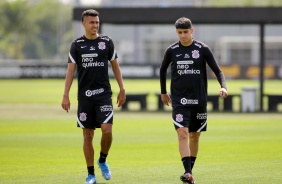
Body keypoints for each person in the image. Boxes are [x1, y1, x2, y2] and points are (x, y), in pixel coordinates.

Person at [159, 17, 228, 184]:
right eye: (180, 32)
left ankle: (190, 171)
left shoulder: (202, 49)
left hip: (199, 101)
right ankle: (188, 173)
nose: (183, 35)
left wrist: (223, 86)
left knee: (194, 136)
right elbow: (162, 70)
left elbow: (218, 71)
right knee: (182, 133)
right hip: (179, 101)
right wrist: (163, 92)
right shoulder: (172, 50)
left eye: (185, 32)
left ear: (192, 30)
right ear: (177, 32)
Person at [61, 9, 126, 184]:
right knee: (88, 134)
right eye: (91, 22)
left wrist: (122, 88)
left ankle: (102, 160)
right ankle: (91, 175)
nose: (95, 25)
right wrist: (65, 95)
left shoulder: (106, 42)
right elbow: (70, 71)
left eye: (97, 22)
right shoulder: (76, 45)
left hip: (104, 94)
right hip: (85, 97)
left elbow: (115, 67)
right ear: (83, 24)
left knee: (107, 130)